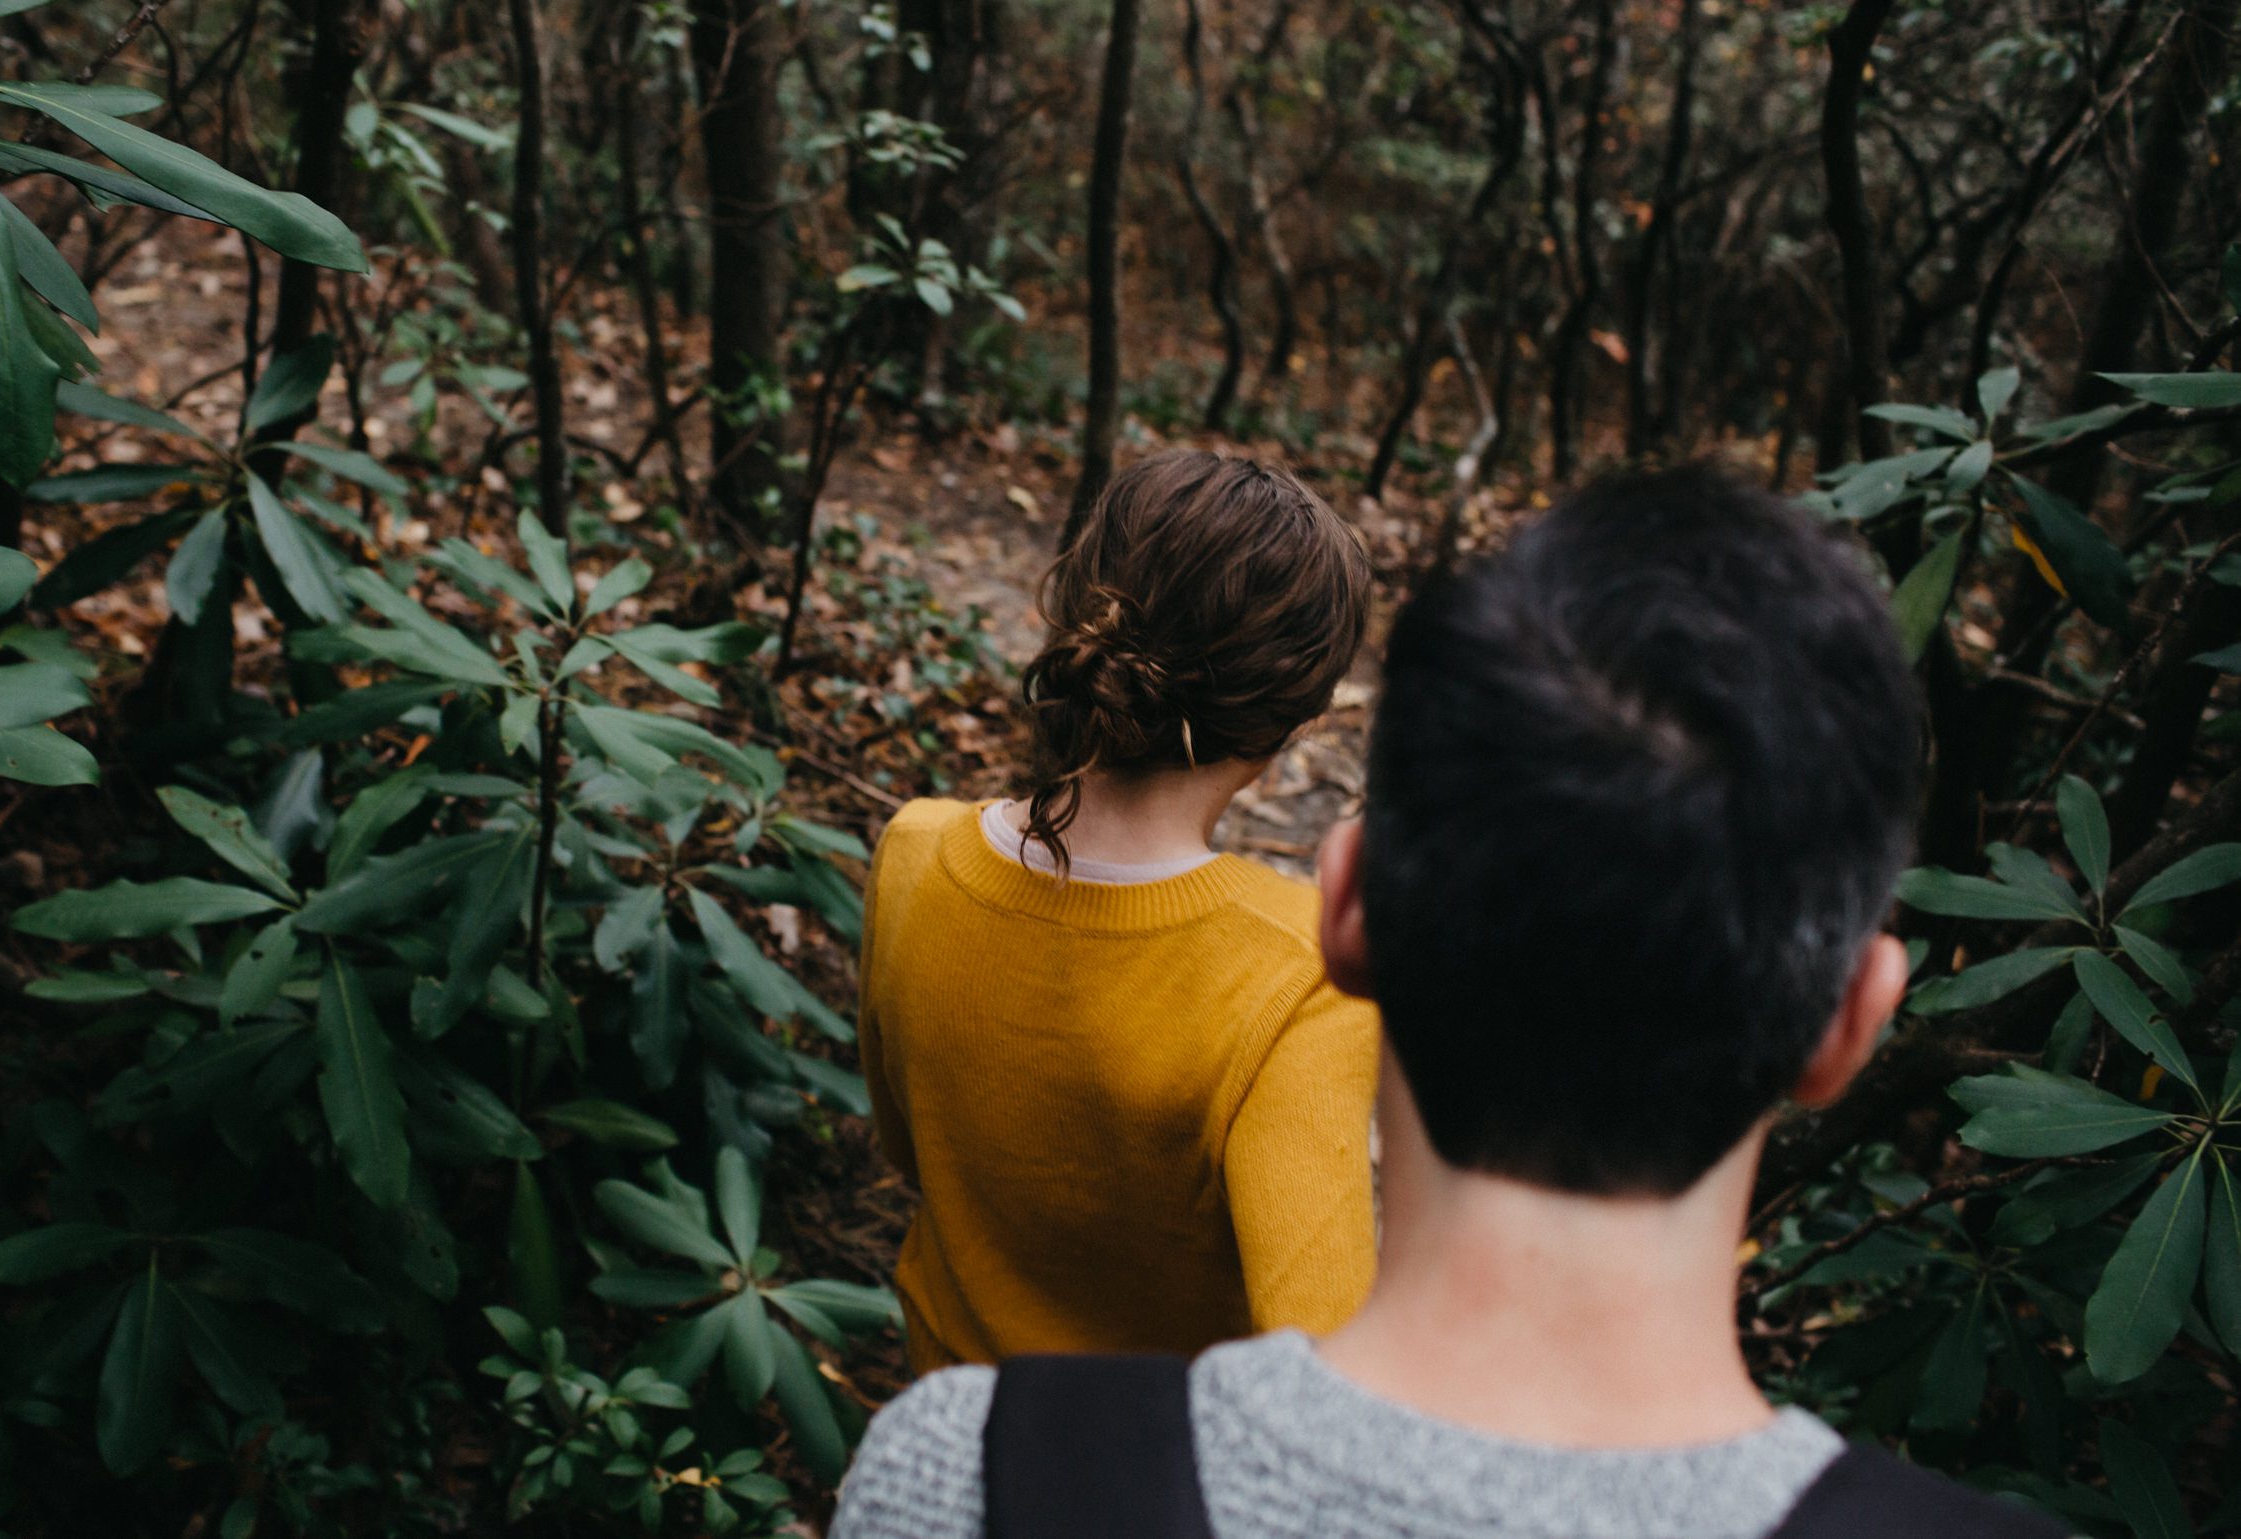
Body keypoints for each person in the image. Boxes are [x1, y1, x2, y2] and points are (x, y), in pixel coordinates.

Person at [832, 465, 2068, 1539]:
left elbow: (905, 1140)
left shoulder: (950, 1475)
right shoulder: (1272, 991)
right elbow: (1306, 1311)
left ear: (1350, 902)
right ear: (1850, 1018)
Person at [857, 448, 1380, 1375]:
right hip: (1152, 1476)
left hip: (938, 1413)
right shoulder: (1299, 980)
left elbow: (906, 1145)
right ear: (1292, 718)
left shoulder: (914, 850)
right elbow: (1324, 1363)